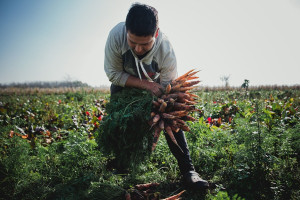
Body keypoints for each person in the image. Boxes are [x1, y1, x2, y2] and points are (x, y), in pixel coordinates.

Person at [104, 3, 209, 190]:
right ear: (126, 31)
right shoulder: (116, 36)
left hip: (159, 88)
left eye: (144, 44)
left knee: (170, 117)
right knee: (120, 121)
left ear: (156, 34)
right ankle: (121, 163)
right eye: (132, 42)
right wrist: (146, 85)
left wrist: (160, 108)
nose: (137, 49)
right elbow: (113, 74)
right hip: (124, 84)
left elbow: (167, 94)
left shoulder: (166, 52)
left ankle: (188, 171)